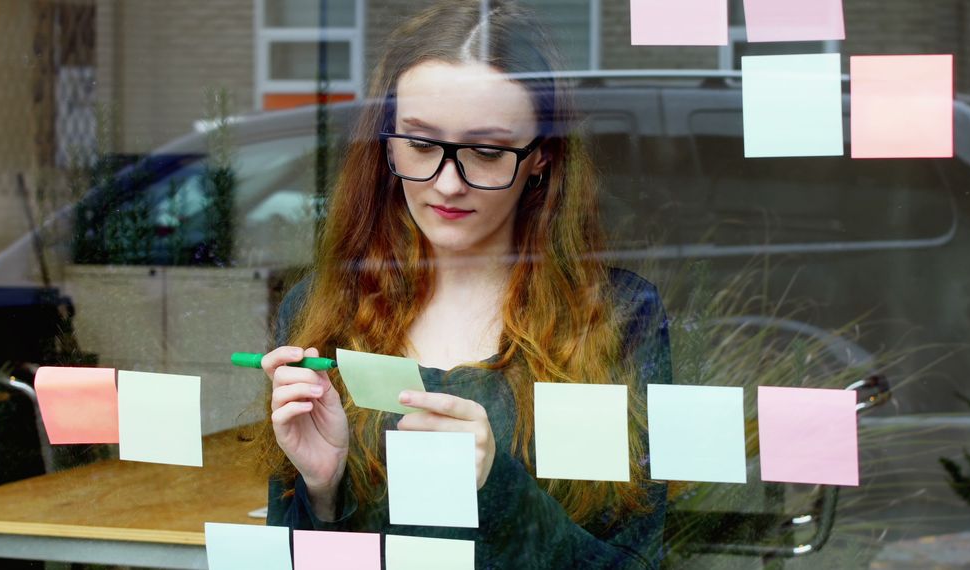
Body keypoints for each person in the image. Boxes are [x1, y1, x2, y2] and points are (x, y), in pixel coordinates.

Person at [256, 1, 672, 567]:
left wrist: (494, 487)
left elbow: (631, 563)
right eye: (422, 145)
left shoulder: (614, 316)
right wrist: (325, 491)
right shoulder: (325, 307)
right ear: (386, 144)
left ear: (541, 159)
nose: (448, 184)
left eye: (487, 152)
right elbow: (292, 558)